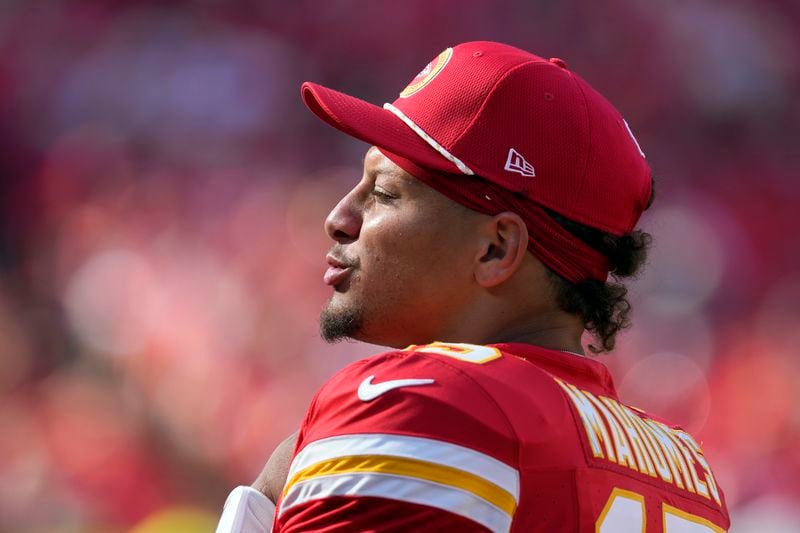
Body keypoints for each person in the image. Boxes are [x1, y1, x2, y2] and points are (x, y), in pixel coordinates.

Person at [215, 41, 730, 532]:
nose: (339, 218)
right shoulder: (686, 469)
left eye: (385, 193)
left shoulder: (419, 404)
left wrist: (260, 500)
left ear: (497, 248)